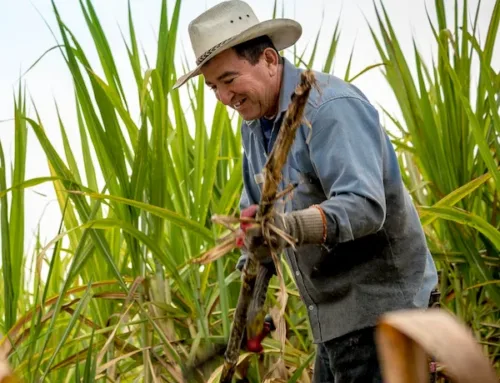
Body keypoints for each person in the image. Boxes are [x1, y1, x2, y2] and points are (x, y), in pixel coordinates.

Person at [173, 1, 438, 382]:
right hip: (333, 325)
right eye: (213, 86)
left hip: (387, 318)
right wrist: (252, 307)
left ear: (267, 58)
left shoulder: (329, 109)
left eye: (229, 81)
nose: (223, 97)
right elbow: (258, 224)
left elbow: (363, 206)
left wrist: (284, 228)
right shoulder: (255, 128)